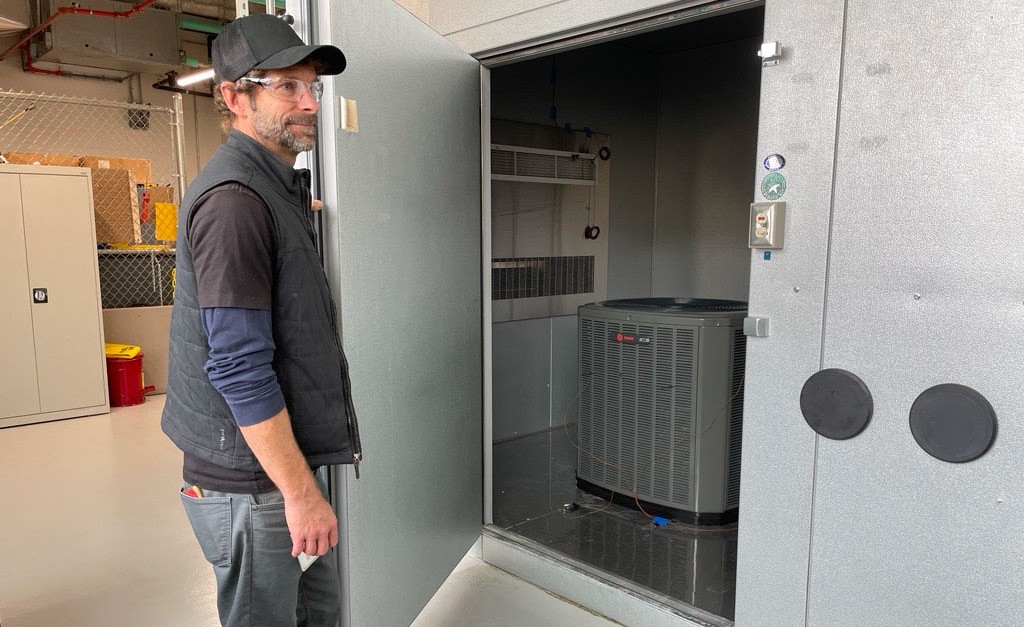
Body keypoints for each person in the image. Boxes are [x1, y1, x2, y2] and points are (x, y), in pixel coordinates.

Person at [161, 13, 361, 627]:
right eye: (287, 86)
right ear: (233, 97)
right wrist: (301, 496)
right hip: (252, 485)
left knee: (314, 613)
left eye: (314, 88)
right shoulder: (235, 205)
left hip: (276, 470)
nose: (308, 103)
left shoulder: (270, 187)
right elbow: (240, 368)